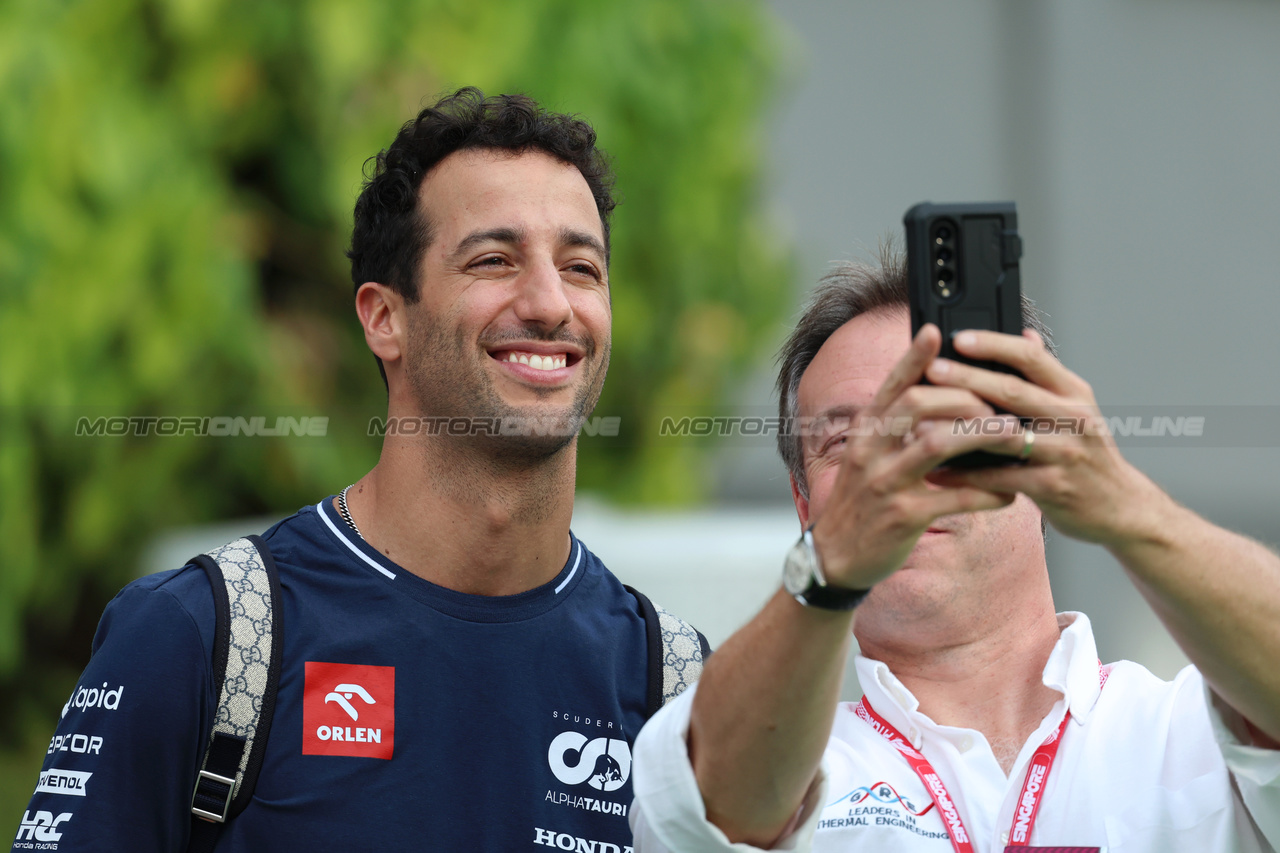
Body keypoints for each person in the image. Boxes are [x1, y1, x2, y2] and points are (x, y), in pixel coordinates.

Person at [14, 88, 706, 852]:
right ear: (384, 317)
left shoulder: (674, 687)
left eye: (582, 267)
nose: (549, 302)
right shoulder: (203, 636)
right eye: (493, 260)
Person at [629, 250, 1280, 852]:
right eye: (848, 442)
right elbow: (705, 814)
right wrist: (829, 570)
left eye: (941, 424)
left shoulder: (1193, 731)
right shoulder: (777, 745)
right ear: (806, 510)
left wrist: (1126, 508)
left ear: (1045, 456)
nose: (900, 462)